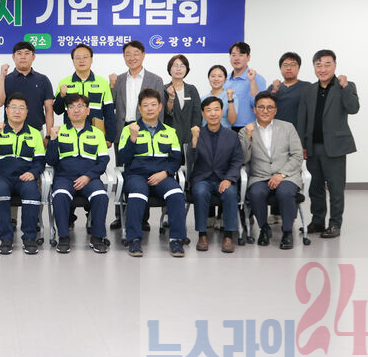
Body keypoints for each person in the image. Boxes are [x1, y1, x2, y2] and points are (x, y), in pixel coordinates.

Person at [297, 49, 360, 239]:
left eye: (327, 64)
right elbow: (302, 118)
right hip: (313, 146)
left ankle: (334, 224)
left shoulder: (345, 86)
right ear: (314, 67)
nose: (322, 69)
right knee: (315, 187)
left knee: (335, 188)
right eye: (318, 65)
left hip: (335, 147)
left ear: (335, 65)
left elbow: (353, 108)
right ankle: (317, 221)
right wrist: (302, 144)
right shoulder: (309, 90)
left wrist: (345, 86)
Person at [118, 88, 186, 258]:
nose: (150, 108)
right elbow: (123, 158)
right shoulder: (129, 130)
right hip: (136, 175)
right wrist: (133, 138)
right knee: (137, 195)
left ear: (160, 107)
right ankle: (134, 239)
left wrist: (165, 173)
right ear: (139, 108)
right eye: (145, 105)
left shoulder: (170, 131)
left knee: (177, 194)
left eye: (153, 104)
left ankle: (176, 239)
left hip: (162, 175)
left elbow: (176, 159)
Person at [0, 93, 46, 256]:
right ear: (7, 110)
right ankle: (6, 239)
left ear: (27, 111)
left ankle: (29, 238)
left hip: (25, 177)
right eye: (13, 107)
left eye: (21, 108)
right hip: (1, 176)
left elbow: (40, 161)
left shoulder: (35, 133)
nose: (17, 111)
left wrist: (33, 173)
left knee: (32, 194)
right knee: (0, 193)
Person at [109, 40, 164, 231]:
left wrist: (155, 132)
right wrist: (111, 86)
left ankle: (142, 218)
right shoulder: (118, 80)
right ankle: (120, 216)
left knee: (144, 172)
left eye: (135, 53)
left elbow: (159, 111)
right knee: (122, 173)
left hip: (146, 130)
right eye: (128, 54)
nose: (131, 58)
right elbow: (111, 106)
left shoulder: (155, 80)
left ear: (143, 55)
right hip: (123, 130)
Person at [46, 93, 110, 253]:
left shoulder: (97, 133)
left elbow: (103, 161)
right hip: (64, 178)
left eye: (80, 106)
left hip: (90, 178)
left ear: (88, 111)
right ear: (67, 112)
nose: (76, 110)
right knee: (59, 195)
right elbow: (51, 161)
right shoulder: (59, 132)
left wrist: (88, 176)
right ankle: (63, 237)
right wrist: (52, 140)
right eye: (72, 107)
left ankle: (97, 238)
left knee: (101, 196)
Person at [240, 92, 304, 249]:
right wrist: (248, 137)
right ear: (255, 109)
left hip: (286, 175)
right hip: (260, 176)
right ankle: (264, 228)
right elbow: (243, 159)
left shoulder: (287, 127)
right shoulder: (245, 131)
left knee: (285, 192)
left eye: (269, 107)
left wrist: (282, 174)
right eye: (261, 107)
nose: (265, 111)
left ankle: (287, 232)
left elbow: (297, 155)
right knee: (256, 193)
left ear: (275, 110)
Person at [189, 97, 243, 253]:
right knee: (200, 192)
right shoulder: (197, 133)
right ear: (203, 114)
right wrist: (194, 140)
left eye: (216, 109)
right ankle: (202, 235)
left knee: (231, 192)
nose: (213, 114)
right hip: (202, 178)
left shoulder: (231, 135)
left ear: (222, 111)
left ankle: (228, 236)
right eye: (209, 110)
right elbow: (190, 161)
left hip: (224, 178)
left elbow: (237, 160)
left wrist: (229, 179)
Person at [53, 43, 116, 144]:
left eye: (85, 57)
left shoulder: (102, 83)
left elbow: (109, 112)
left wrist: (109, 138)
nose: (81, 60)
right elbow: (57, 110)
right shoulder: (64, 83)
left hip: (96, 135)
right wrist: (62, 96)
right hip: (71, 136)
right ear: (73, 61)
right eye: (77, 58)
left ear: (91, 59)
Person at [0, 41, 54, 138]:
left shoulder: (43, 80)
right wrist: (2, 76)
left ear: (33, 57)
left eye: (27, 53)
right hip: (10, 133)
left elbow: (49, 109)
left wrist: (48, 136)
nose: (23, 57)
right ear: (13, 57)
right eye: (19, 53)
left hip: (36, 132)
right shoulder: (5, 79)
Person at [163, 54, 201, 158]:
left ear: (187, 69)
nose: (179, 69)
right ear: (170, 69)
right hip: (170, 137)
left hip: (189, 137)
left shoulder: (192, 89)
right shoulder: (164, 89)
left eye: (182, 66)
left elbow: (197, 114)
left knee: (189, 165)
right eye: (175, 65)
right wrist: (171, 98)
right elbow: (165, 113)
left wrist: (195, 135)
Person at [225, 42, 266, 130]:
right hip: (227, 127)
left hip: (249, 128)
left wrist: (252, 81)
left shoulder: (257, 79)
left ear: (248, 57)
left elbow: (259, 105)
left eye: (241, 55)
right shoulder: (224, 80)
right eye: (233, 55)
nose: (236, 58)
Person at [270, 52, 306, 126]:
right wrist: (274, 91)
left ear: (299, 68)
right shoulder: (273, 87)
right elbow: (266, 107)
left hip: (298, 130)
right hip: (276, 129)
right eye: (285, 65)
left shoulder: (307, 87)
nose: (289, 68)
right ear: (280, 68)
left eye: (293, 65)